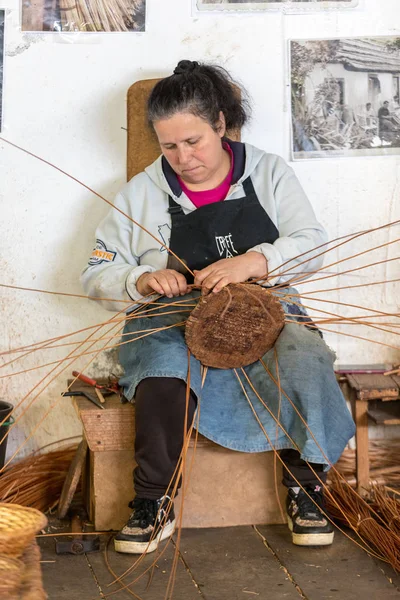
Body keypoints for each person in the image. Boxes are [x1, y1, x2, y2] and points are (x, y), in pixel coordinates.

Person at [81, 60, 355, 554]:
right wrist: (139, 278)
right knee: (162, 365)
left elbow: (312, 242)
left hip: (263, 308)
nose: (183, 158)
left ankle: (307, 489)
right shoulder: (140, 193)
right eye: (170, 146)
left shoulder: (268, 172)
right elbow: (95, 272)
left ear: (221, 126)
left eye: (194, 142)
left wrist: (255, 261)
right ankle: (153, 502)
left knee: (304, 356)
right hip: (174, 315)